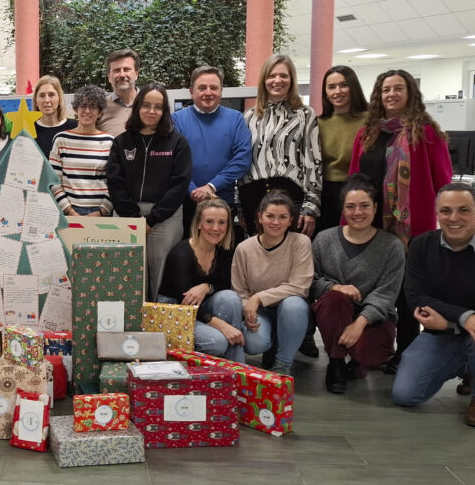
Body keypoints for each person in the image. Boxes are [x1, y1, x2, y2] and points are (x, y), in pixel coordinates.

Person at [392, 183, 475, 428]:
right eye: (446, 211)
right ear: (437, 214)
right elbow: (417, 297)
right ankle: (467, 366)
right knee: (405, 395)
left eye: (463, 210)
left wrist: (455, 323)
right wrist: (463, 318)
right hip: (441, 333)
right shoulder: (421, 245)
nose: (454, 218)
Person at [350, 68, 451, 372]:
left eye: (398, 88)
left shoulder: (427, 132)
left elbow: (444, 181)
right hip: (370, 227)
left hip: (413, 230)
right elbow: (354, 179)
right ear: (378, 96)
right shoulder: (368, 132)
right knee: (370, 289)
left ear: (410, 94)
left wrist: (445, 220)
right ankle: (365, 351)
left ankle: (404, 353)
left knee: (408, 295)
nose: (391, 94)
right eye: (385, 90)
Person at [311, 175, 405, 394]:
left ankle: (358, 363)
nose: (358, 212)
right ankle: (335, 363)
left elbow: (386, 294)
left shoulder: (392, 246)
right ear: (343, 210)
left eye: (364, 206)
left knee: (371, 353)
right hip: (334, 312)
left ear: (375, 207)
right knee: (334, 299)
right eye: (350, 206)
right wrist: (334, 288)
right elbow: (311, 282)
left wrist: (360, 323)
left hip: (374, 317)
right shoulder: (324, 240)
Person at [106, 82, 192, 301]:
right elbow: (115, 182)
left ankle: (156, 324)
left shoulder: (177, 143)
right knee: (126, 273)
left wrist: (152, 219)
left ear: (165, 111)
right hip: (126, 216)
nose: (151, 111)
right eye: (146, 105)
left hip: (165, 218)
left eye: (158, 106)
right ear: (137, 107)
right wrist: (134, 219)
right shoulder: (121, 142)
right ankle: (129, 322)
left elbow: (179, 184)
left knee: (162, 272)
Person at [238, 53, 322, 237]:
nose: (278, 80)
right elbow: (242, 163)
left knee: (289, 258)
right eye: (272, 75)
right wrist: (240, 207)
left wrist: (311, 207)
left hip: (291, 198)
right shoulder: (248, 117)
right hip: (252, 198)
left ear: (291, 79)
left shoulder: (305, 115)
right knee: (257, 258)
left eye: (284, 75)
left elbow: (313, 162)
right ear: (264, 80)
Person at [157, 198, 250, 363]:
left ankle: (236, 369)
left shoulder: (225, 250)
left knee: (230, 297)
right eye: (209, 222)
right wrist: (223, 326)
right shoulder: (181, 254)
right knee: (218, 341)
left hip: (203, 307)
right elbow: (185, 301)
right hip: (178, 310)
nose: (216, 228)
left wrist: (207, 287)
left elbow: (225, 283)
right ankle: (227, 369)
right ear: (198, 224)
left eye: (222, 222)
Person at [231, 191, 313, 376]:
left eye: (283, 217)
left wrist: (259, 297)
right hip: (261, 311)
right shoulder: (244, 248)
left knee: (294, 305)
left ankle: (283, 363)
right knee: (254, 344)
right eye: (270, 216)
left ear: (291, 219)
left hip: (291, 310)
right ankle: (272, 342)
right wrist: (248, 310)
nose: (276, 222)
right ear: (260, 217)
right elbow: (240, 291)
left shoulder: (300, 242)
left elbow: (299, 286)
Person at [171, 65, 252, 237]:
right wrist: (193, 190)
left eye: (214, 88)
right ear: (191, 91)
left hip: (223, 201)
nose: (208, 92)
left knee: (223, 256)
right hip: (186, 202)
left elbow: (242, 159)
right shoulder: (176, 120)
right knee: (188, 253)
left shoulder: (236, 119)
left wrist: (211, 186)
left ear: (221, 90)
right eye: (202, 88)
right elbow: (173, 161)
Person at [316, 65, 368, 234]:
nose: (337, 91)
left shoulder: (371, 120)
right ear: (325, 93)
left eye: (343, 85)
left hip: (359, 191)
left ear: (353, 86)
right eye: (331, 87)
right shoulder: (318, 123)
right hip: (326, 193)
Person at [49, 85, 113, 217]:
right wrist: (68, 210)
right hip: (68, 212)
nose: (87, 111)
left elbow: (114, 182)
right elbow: (53, 180)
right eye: (83, 106)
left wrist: (102, 211)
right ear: (76, 109)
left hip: (99, 213)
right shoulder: (61, 140)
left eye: (93, 107)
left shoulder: (109, 142)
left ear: (100, 113)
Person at [33, 75, 76, 158]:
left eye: (51, 95)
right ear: (36, 100)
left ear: (59, 98)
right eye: (42, 95)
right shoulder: (29, 130)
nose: (46, 100)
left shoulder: (75, 127)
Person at [99, 49, 139, 135]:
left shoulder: (151, 105)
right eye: (116, 70)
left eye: (127, 69)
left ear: (136, 74)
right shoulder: (100, 108)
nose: (122, 75)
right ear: (109, 76)